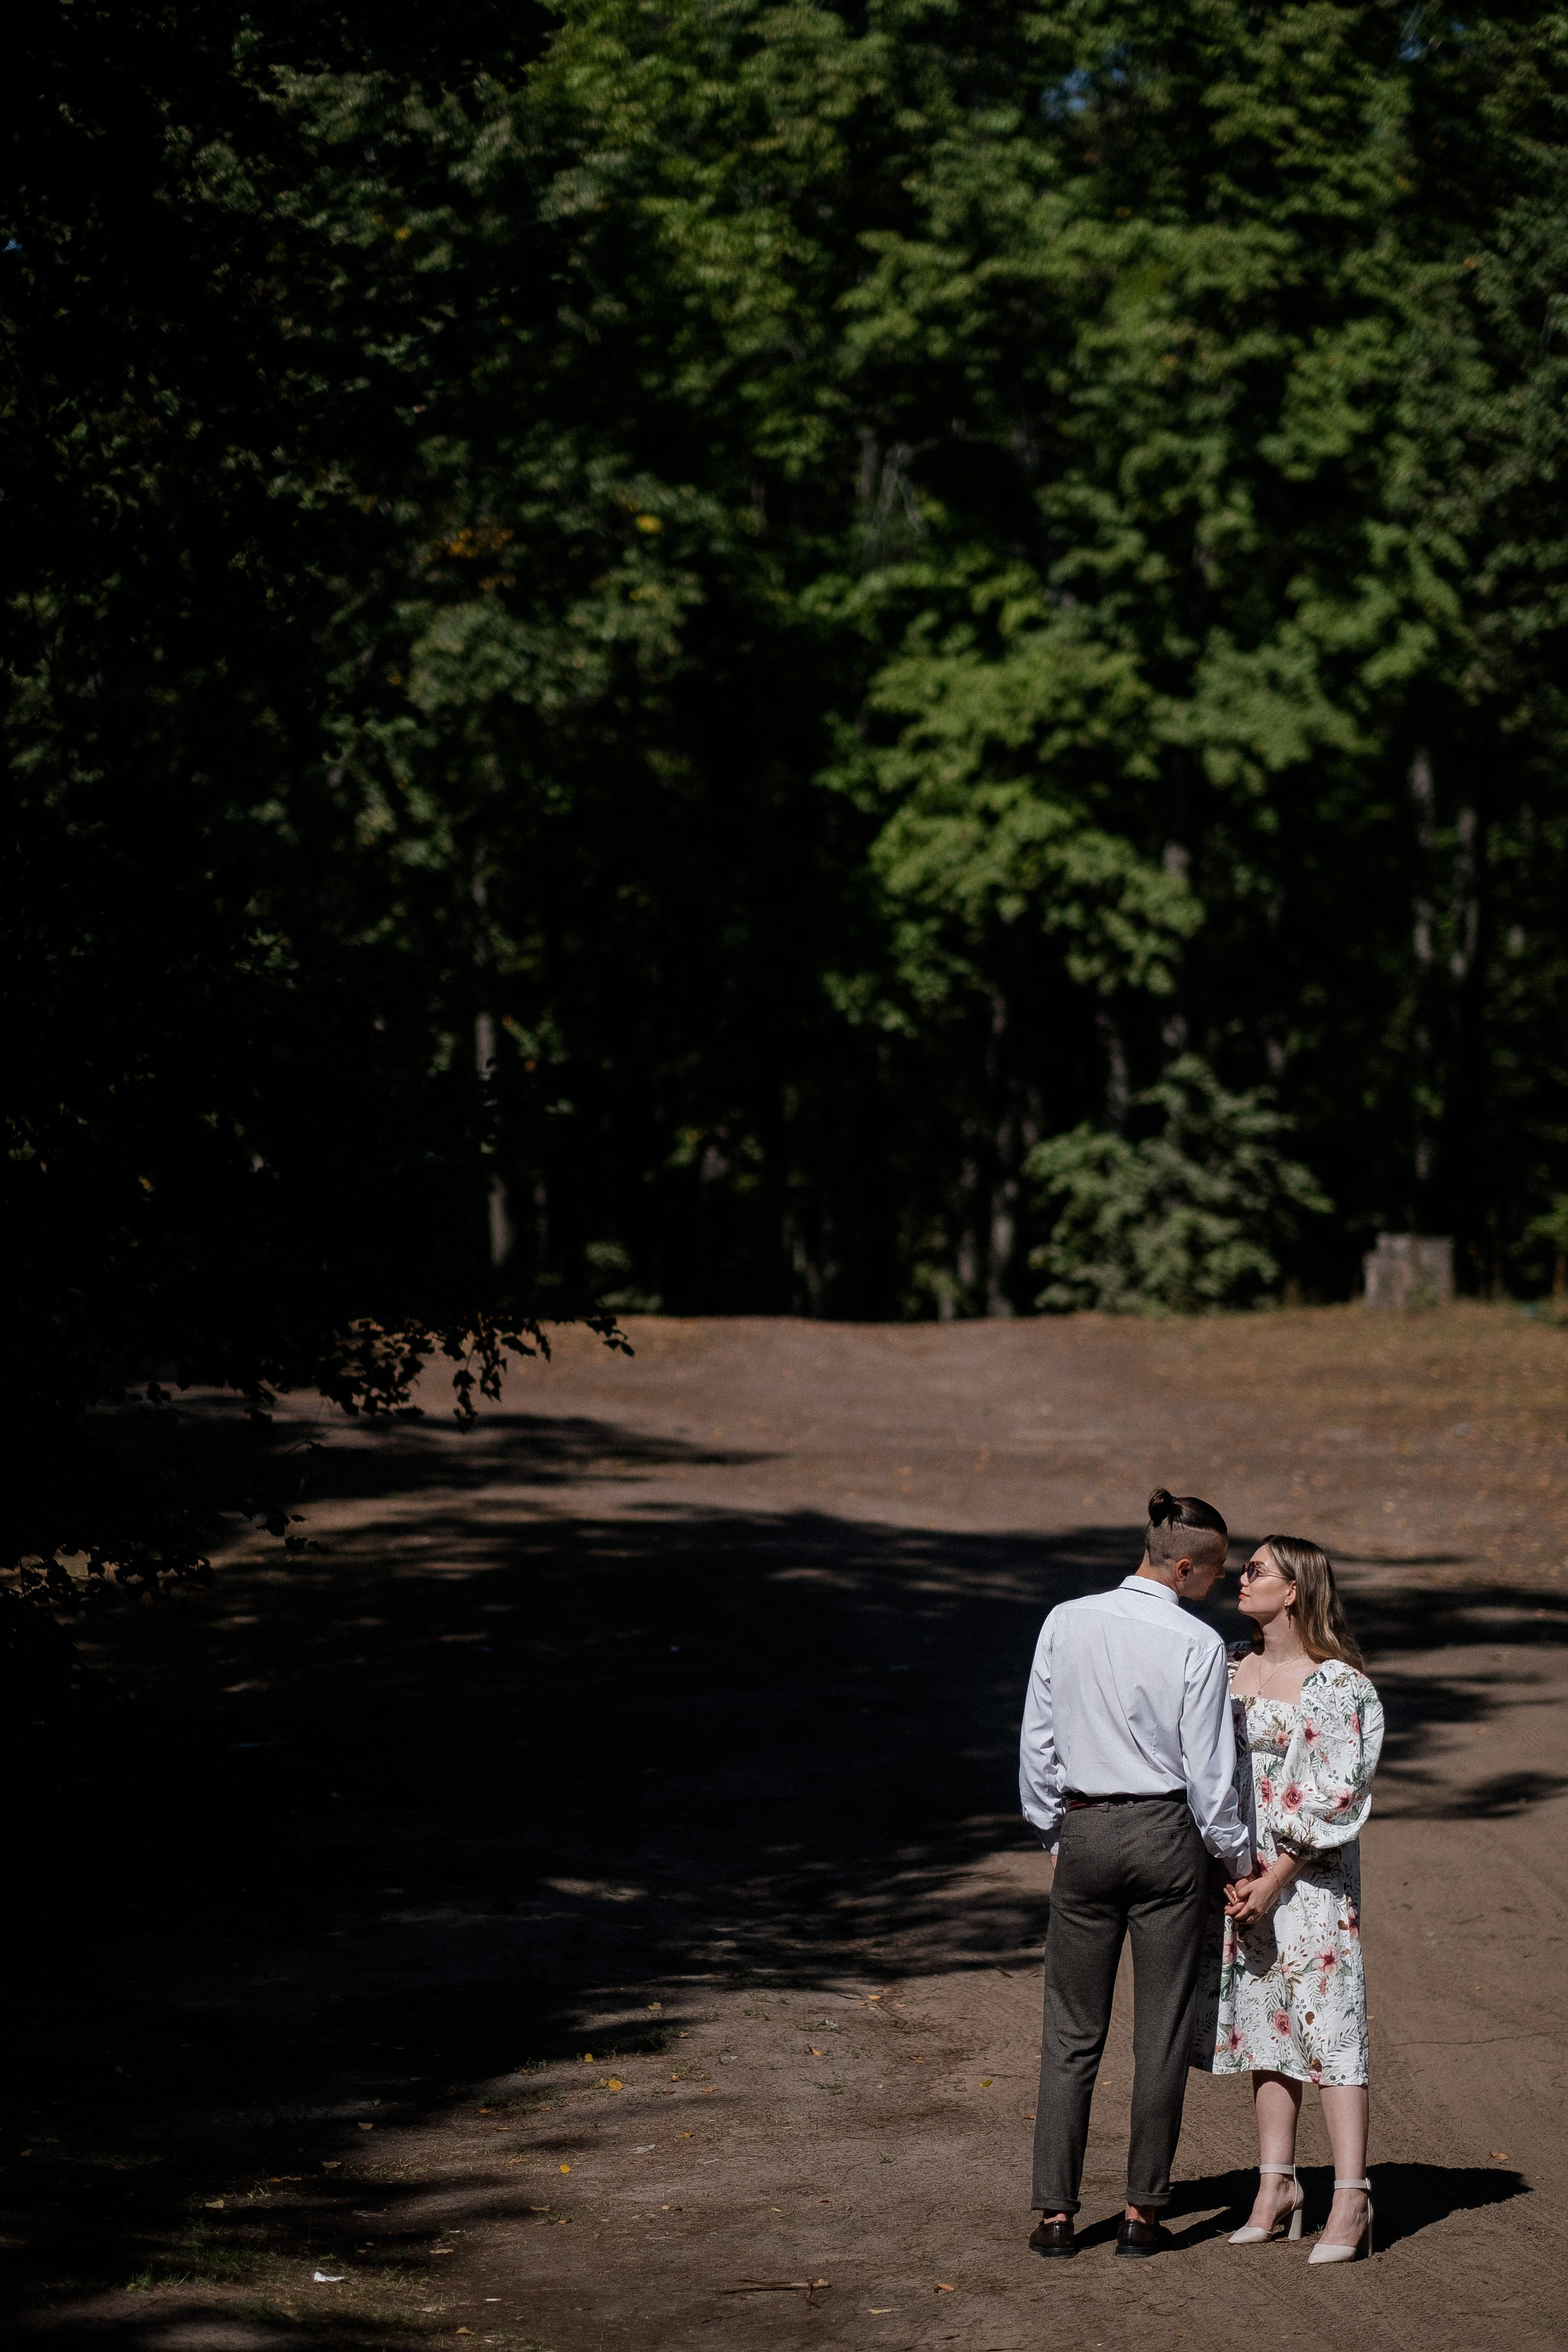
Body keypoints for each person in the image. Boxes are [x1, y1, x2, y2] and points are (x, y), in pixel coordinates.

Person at [1020, 1488, 1253, 2260]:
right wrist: (1240, 1861)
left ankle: (1054, 2214)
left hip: (1085, 1828)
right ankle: (1140, 2213)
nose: (1217, 1588)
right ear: (1183, 1568)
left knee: (1070, 2034)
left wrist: (1056, 1829)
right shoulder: (1194, 1644)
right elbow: (1211, 1777)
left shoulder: (1065, 1619)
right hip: (1166, 1836)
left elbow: (1038, 1742)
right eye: (1214, 1576)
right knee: (1158, 2034)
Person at [1208, 1534, 1384, 2264]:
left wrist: (1276, 1874)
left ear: (1294, 1590)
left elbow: (1337, 1793)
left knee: (1331, 2030)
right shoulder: (1225, 1665)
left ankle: (1351, 2197)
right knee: (1264, 2028)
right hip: (1241, 1878)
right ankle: (1275, 2186)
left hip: (1308, 1881)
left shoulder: (1338, 1684)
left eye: (1254, 1570)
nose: (1239, 1578)